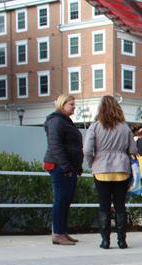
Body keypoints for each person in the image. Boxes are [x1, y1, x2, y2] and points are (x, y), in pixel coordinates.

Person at [83, 95, 136, 249]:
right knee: (120, 206)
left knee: (104, 205)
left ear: (101, 109)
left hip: (101, 169)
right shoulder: (125, 127)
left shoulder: (95, 126)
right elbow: (133, 150)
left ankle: (105, 241)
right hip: (122, 169)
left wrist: (92, 162)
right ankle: (122, 241)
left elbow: (87, 150)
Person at [43, 94, 83, 246]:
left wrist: (76, 166)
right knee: (61, 199)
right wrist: (66, 167)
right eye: (71, 104)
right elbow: (56, 146)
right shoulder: (56, 121)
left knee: (65, 200)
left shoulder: (64, 121)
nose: (74, 107)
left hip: (67, 166)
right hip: (60, 166)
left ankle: (62, 231)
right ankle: (58, 234)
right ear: (62, 104)